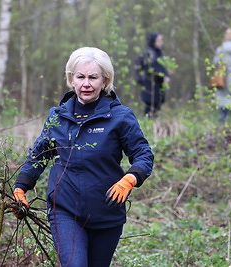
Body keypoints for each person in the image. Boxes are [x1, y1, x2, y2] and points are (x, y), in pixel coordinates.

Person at [13, 47, 154, 266]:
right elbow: (39, 155)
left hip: (107, 213)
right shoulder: (58, 116)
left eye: (93, 77)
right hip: (65, 210)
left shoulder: (120, 117)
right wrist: (21, 187)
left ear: (105, 81)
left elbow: (144, 155)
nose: (86, 83)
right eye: (80, 77)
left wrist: (130, 179)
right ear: (71, 79)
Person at [134, 32, 171, 118]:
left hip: (158, 85)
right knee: (150, 107)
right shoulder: (149, 53)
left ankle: (151, 124)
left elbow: (160, 67)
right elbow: (151, 68)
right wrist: (163, 76)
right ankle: (147, 126)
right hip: (150, 85)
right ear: (153, 41)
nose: (161, 42)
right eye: (159, 40)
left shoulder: (158, 53)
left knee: (157, 106)